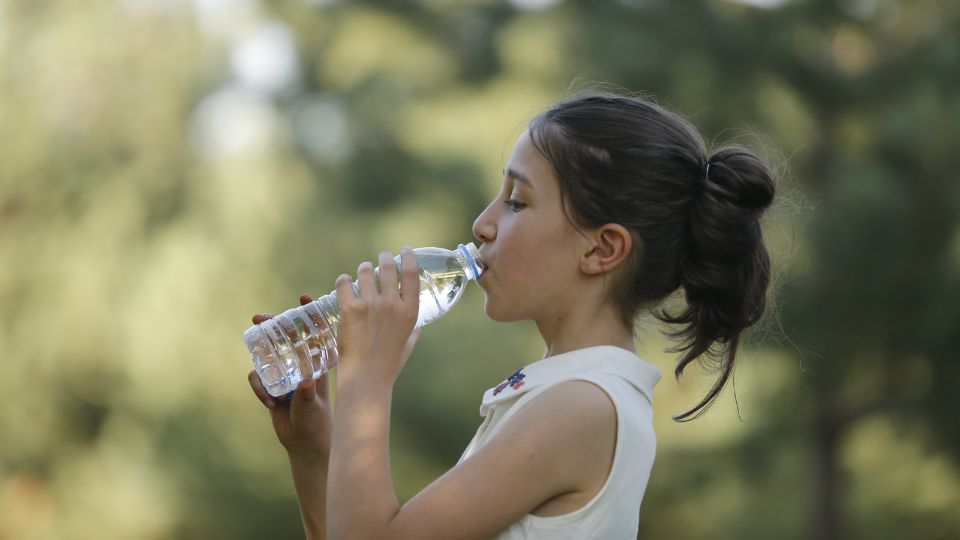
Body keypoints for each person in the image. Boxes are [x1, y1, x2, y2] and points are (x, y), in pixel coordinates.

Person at [247, 90, 776, 539]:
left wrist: (367, 379)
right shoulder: (564, 392)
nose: (482, 224)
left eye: (517, 202)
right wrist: (316, 450)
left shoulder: (584, 406)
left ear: (601, 250)